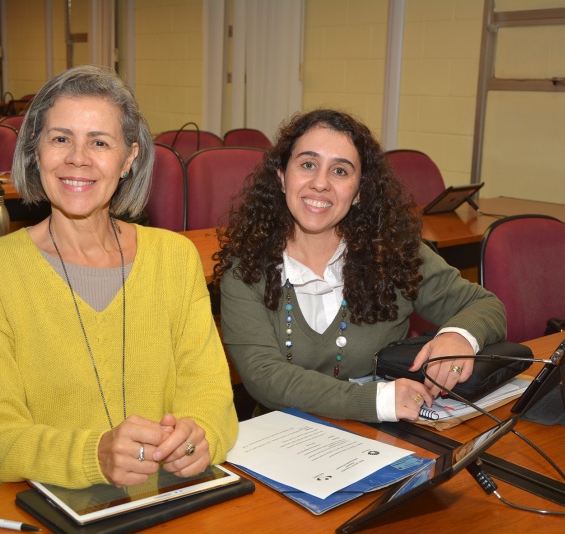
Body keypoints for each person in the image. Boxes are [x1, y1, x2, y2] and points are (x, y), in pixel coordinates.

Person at [0, 65, 238, 490]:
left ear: (129, 159)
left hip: (164, 496)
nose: (78, 158)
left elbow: (212, 397)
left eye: (100, 142)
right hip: (41, 502)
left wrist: (197, 438)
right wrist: (95, 456)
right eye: (60, 138)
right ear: (36, 150)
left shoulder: (175, 258)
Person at [215, 109, 506, 423]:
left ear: (358, 192)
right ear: (282, 177)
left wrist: (458, 336)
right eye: (308, 164)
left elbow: (485, 305)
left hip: (381, 437)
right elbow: (264, 378)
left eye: (340, 171)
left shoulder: (394, 254)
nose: (320, 183)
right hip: (283, 438)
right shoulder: (246, 271)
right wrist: (378, 401)